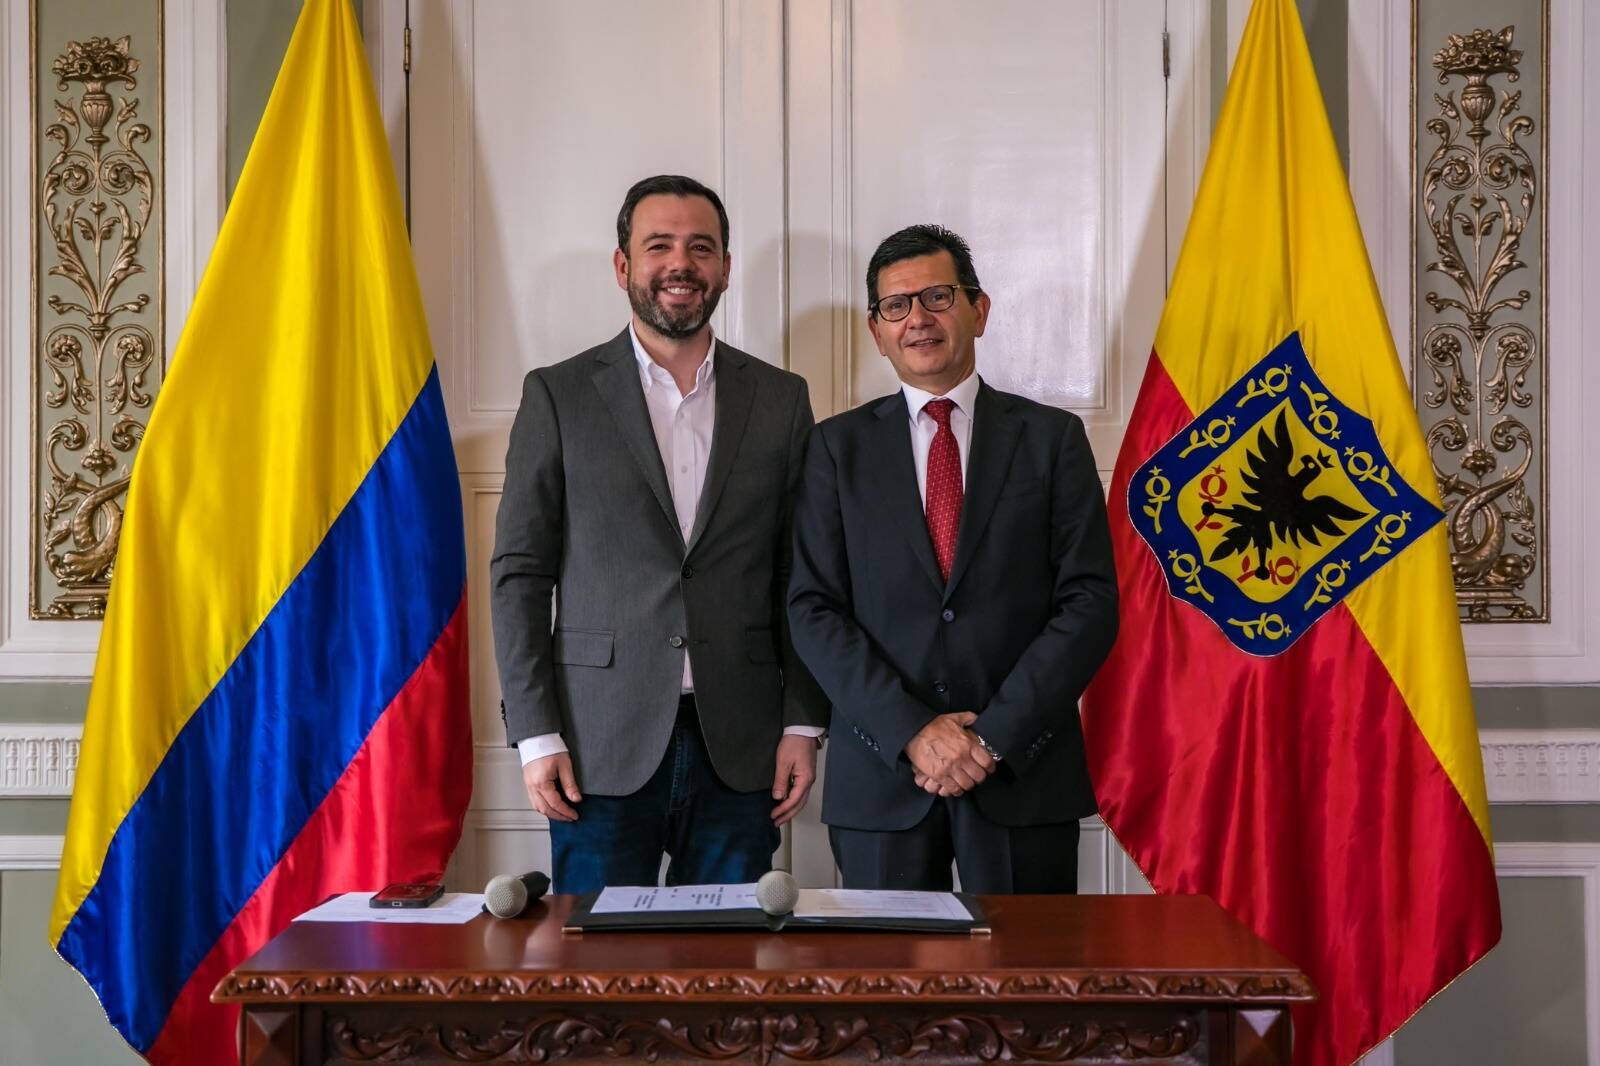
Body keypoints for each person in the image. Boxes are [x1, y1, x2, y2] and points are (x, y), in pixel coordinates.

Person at [491, 174, 828, 894]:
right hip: (595, 745)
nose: (682, 264)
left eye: (701, 247)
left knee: (731, 980)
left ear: (725, 268)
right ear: (623, 266)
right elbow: (520, 573)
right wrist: (536, 732)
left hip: (740, 747)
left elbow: (799, 576)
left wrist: (803, 721)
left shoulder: (780, 399)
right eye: (659, 246)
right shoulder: (558, 395)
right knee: (599, 985)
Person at [787, 224, 1118, 893]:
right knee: (890, 993)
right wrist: (912, 730)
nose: (919, 319)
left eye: (937, 297)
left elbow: (1089, 603)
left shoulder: (1052, 441)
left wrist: (991, 737)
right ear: (877, 332)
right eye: (897, 306)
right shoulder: (834, 450)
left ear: (979, 310)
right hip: (885, 776)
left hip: (1024, 775)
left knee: (1030, 989)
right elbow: (813, 608)